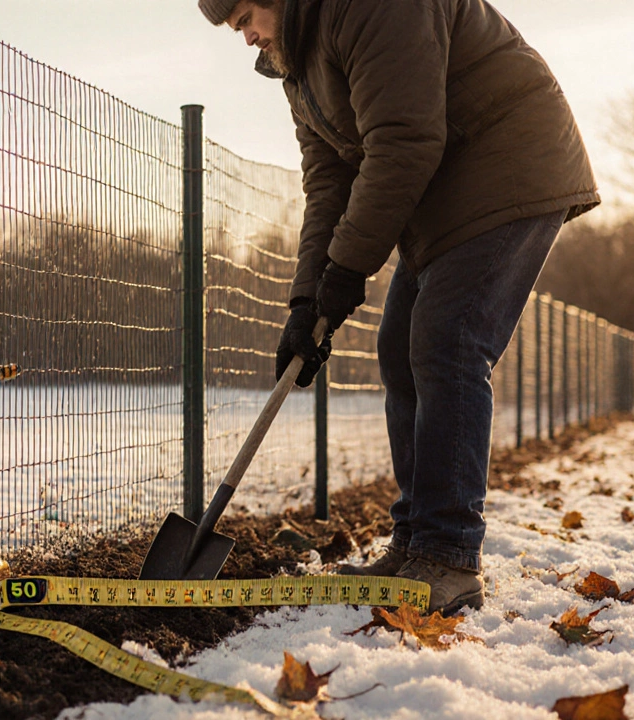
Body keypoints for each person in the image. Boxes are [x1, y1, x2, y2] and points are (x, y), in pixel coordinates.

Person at [198, 0, 599, 615]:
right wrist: (308, 299)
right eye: (235, 28)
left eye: (245, 15)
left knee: (449, 340)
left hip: (511, 160)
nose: (245, 35)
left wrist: (348, 270)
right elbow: (328, 182)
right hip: (446, 189)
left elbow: (405, 141)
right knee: (399, 349)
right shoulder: (295, 65)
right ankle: (416, 544)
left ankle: (449, 555)